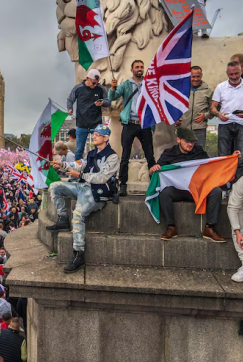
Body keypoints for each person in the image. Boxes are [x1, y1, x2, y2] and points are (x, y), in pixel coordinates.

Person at [46, 124, 120, 273]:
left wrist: (80, 175)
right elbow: (78, 164)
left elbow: (102, 177)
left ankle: (78, 254)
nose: (94, 136)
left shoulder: (112, 157)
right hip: (83, 186)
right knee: (54, 187)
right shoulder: (91, 153)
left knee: (78, 214)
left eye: (98, 135)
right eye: (95, 134)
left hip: (97, 192)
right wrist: (62, 165)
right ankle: (62, 219)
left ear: (106, 138)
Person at [151, 128, 231, 242]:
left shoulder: (199, 151)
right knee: (164, 193)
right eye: (187, 141)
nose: (190, 144)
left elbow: (211, 166)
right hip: (178, 190)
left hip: (197, 189)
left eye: (192, 142)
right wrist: (153, 169)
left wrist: (230, 159)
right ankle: (171, 227)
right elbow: (156, 171)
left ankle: (210, 228)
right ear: (178, 140)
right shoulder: (169, 153)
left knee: (216, 191)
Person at [108, 59, 156, 195]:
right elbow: (113, 97)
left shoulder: (149, 84)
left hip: (144, 124)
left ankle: (154, 184)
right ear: (132, 70)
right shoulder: (126, 84)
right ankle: (122, 185)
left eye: (141, 67)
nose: (139, 69)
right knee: (125, 156)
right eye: (137, 67)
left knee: (150, 155)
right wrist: (113, 88)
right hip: (130, 123)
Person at [210, 61, 243, 184]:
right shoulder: (221, 87)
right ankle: (223, 185)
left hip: (242, 124)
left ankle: (237, 185)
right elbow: (212, 107)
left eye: (236, 73)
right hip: (225, 123)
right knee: (223, 157)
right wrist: (218, 114)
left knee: (240, 157)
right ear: (226, 73)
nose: (233, 77)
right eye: (231, 74)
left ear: (241, 71)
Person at [66, 69, 110, 161]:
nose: (95, 85)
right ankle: (78, 167)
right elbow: (70, 99)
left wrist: (102, 102)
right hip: (82, 124)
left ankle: (98, 165)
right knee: (79, 150)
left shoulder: (100, 88)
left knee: (99, 148)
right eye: (93, 83)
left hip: (96, 124)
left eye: (97, 83)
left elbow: (108, 101)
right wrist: (70, 108)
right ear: (87, 78)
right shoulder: (78, 88)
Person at [175, 66, 212, 148]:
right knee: (182, 153)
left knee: (199, 152)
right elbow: (174, 107)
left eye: (198, 76)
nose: (196, 79)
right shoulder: (181, 90)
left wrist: (205, 115)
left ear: (201, 76)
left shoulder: (208, 91)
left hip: (199, 129)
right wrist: (175, 118)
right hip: (183, 128)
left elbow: (215, 108)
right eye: (193, 77)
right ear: (189, 76)